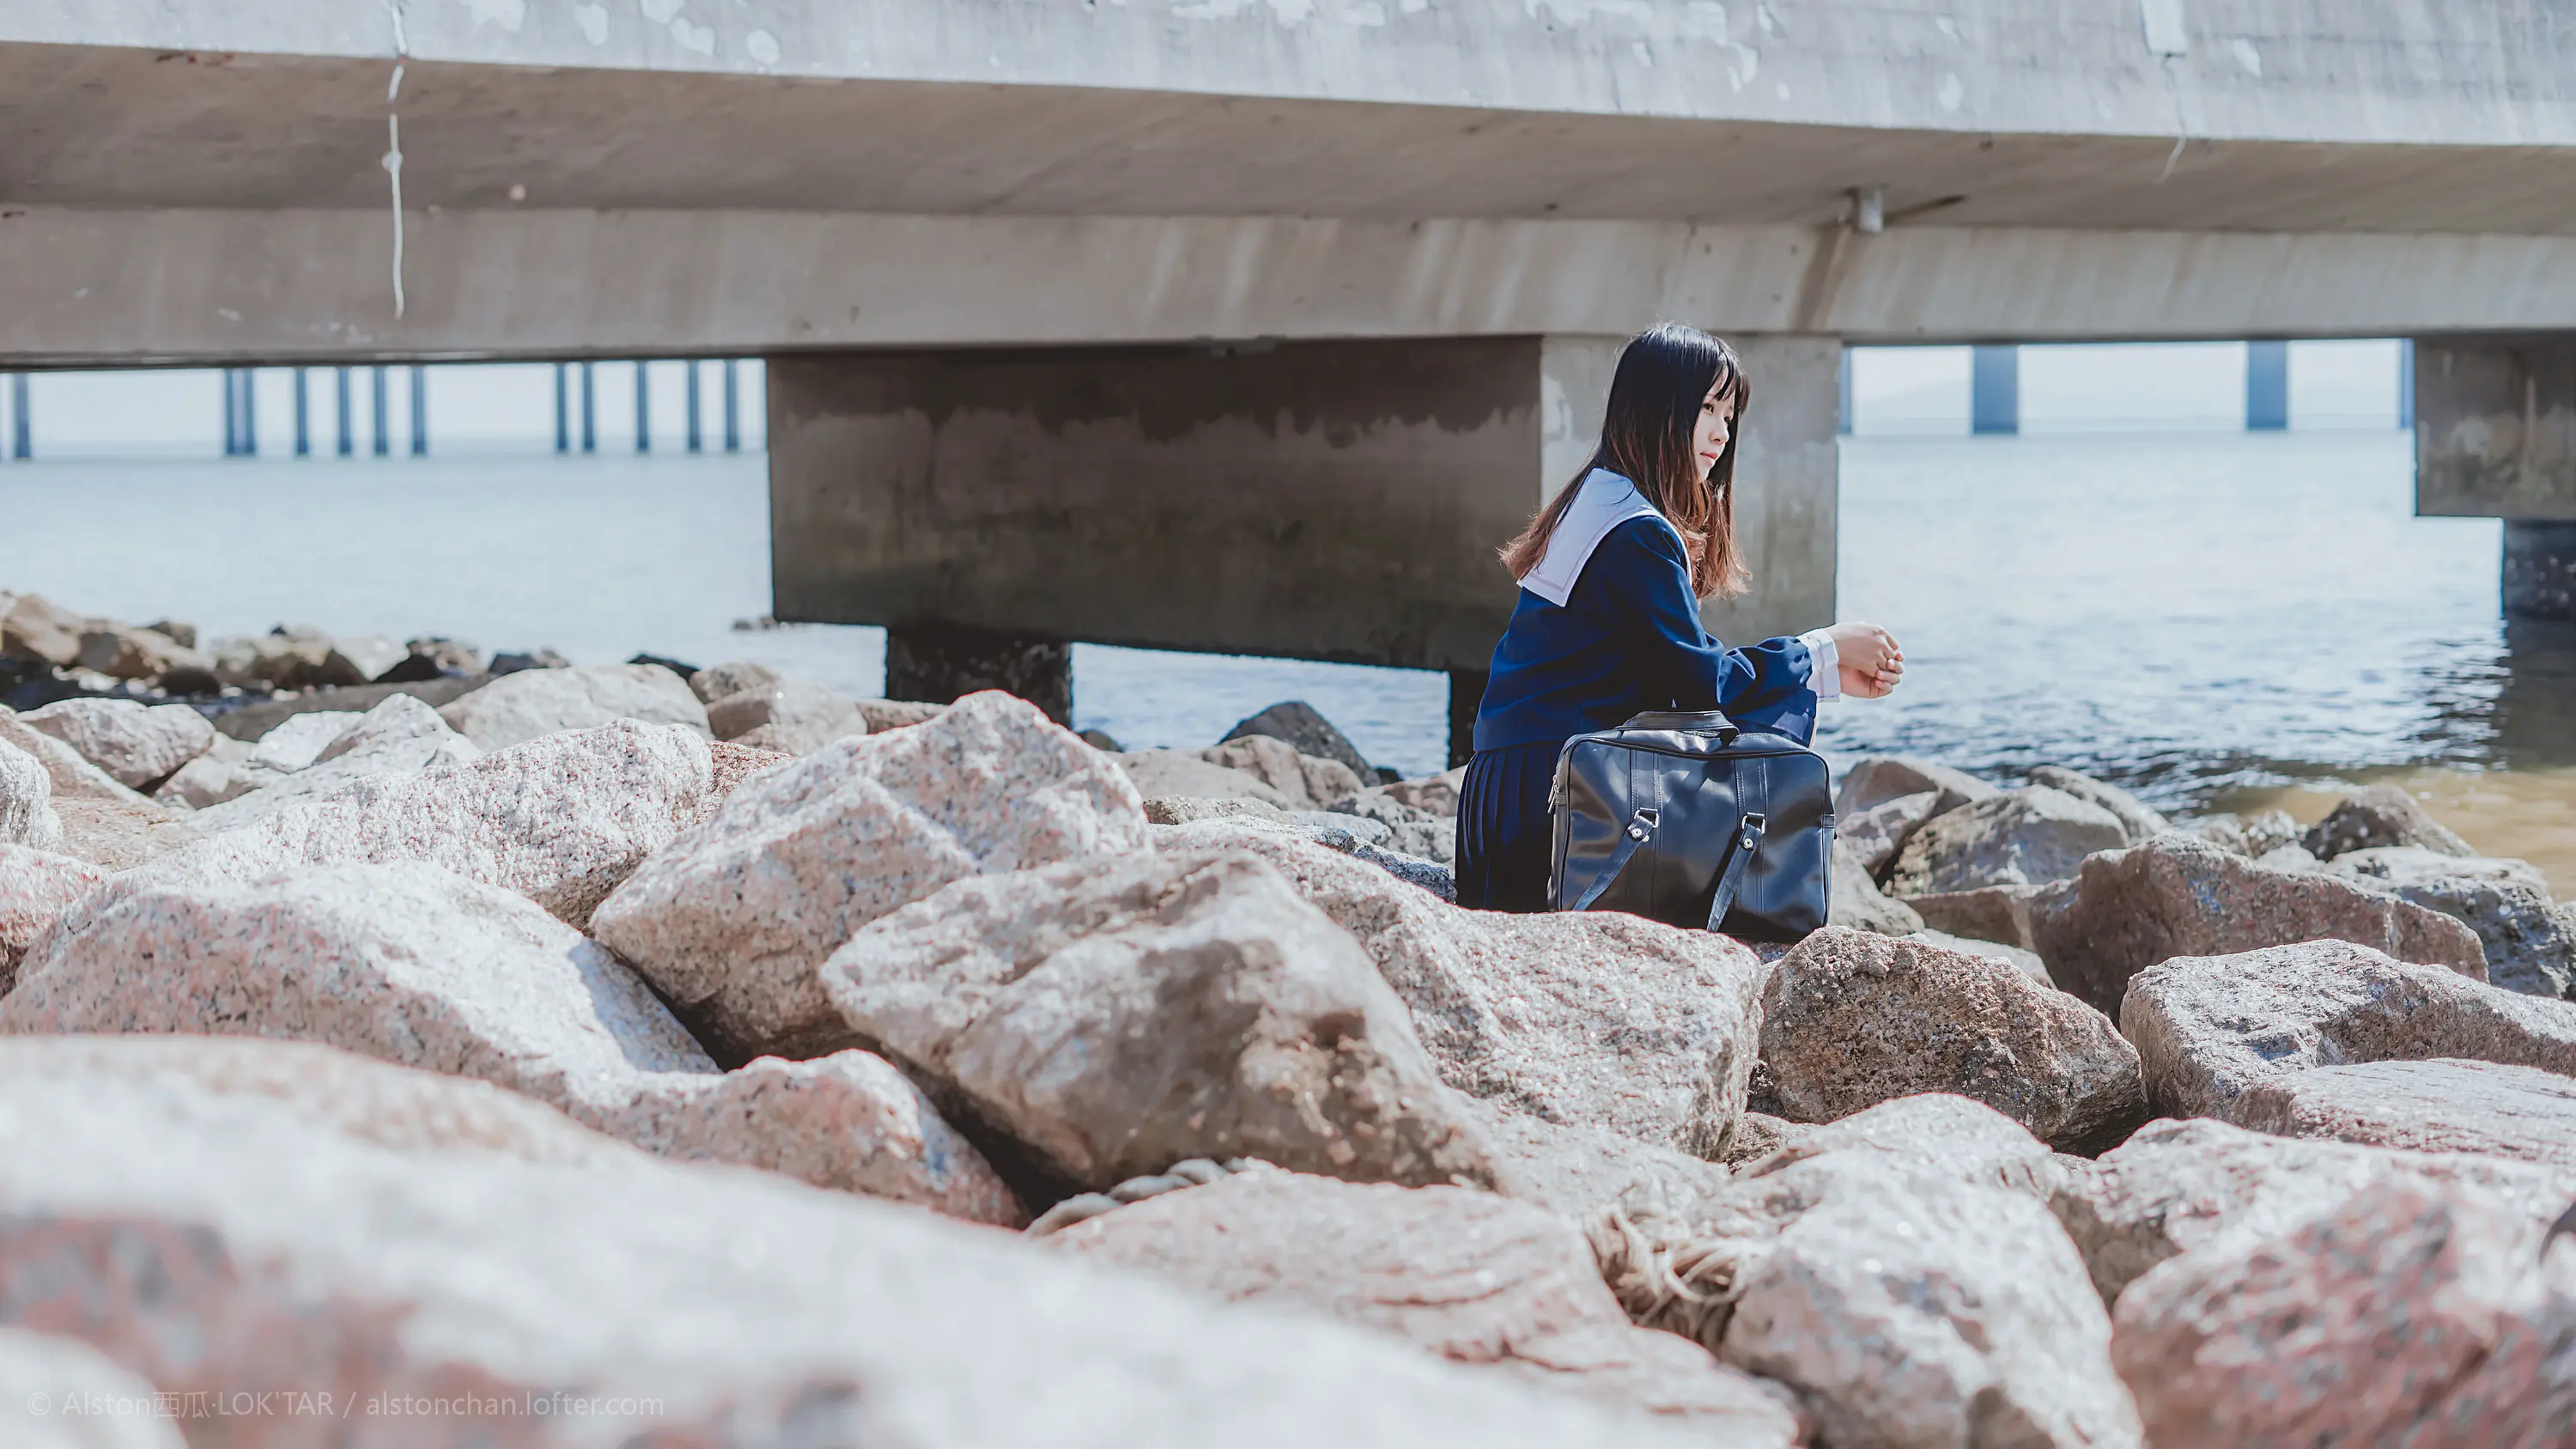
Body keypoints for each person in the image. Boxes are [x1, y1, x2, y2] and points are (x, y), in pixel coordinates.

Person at [1455, 322, 1904, 911]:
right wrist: (1821, 651)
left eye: (1729, 412)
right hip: (1555, 804)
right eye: (1708, 408)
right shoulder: (1634, 532)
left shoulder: (1594, 498)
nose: (1721, 432)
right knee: (1738, 770)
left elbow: (1669, 674)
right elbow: (1701, 683)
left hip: (1504, 794)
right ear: (1656, 409)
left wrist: (1818, 672)